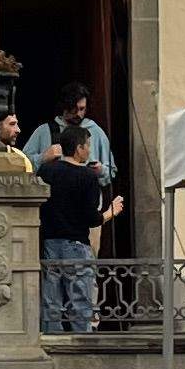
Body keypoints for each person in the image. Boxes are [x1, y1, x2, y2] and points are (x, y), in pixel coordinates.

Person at [26, 83, 120, 337]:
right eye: (74, 109)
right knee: (75, 280)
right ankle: (78, 334)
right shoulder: (45, 131)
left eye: (82, 109)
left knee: (77, 280)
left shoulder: (95, 132)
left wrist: (100, 171)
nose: (79, 114)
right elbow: (22, 165)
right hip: (66, 219)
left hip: (78, 217)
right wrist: (42, 158)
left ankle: (81, 327)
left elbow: (110, 171)